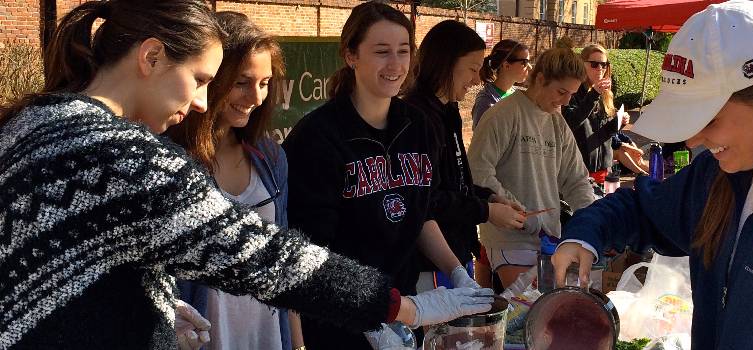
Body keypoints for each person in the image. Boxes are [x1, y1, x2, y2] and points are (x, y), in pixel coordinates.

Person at [0, 1, 492, 348]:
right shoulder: (131, 158)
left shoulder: (28, 125)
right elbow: (268, 259)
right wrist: (408, 310)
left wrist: (142, 302)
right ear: (150, 57)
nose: (199, 103)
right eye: (199, 81)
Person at [552, 1, 753, 349]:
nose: (694, 140)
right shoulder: (721, 175)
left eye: (708, 119)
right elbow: (645, 208)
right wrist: (585, 236)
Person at [282, 2, 491, 349]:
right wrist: (369, 319)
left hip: (404, 309)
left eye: (403, 51)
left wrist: (456, 273)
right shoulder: (317, 136)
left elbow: (421, 214)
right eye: (381, 52)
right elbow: (311, 251)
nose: (395, 64)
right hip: (338, 317)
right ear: (351, 55)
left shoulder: (418, 126)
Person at [164, 11, 296, 350]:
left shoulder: (271, 157)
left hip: (269, 338)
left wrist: (297, 343)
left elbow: (286, 260)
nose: (255, 97)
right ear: (210, 77)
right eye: (241, 82)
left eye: (265, 83)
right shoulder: (171, 162)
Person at [402, 20, 526, 294]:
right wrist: (486, 211)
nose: (476, 79)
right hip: (429, 264)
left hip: (456, 252)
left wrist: (488, 197)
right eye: (472, 69)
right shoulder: (416, 117)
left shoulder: (448, 111)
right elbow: (428, 200)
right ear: (445, 63)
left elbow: (455, 182)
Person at [467, 48, 595, 291]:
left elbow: (576, 180)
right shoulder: (503, 115)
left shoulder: (557, 123)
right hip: (509, 239)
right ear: (539, 79)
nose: (566, 101)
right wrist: (518, 211)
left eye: (572, 94)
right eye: (561, 92)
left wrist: (592, 222)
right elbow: (478, 172)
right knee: (530, 313)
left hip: (549, 239)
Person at [562, 43, 647, 184]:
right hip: (581, 171)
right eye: (594, 64)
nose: (600, 69)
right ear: (582, 65)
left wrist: (618, 123)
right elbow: (571, 123)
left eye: (604, 64)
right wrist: (594, 94)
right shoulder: (573, 92)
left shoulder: (604, 94)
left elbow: (603, 134)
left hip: (604, 168)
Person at [471, 39, 531, 129]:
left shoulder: (518, 96)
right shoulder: (486, 102)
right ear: (506, 65)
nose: (529, 67)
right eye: (524, 62)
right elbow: (482, 140)